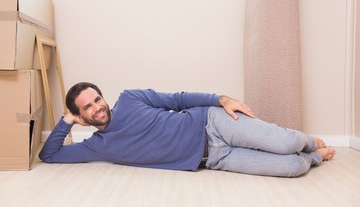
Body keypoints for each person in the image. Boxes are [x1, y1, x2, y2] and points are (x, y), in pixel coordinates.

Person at [39, 82, 336, 177]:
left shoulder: (130, 98)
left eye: (97, 99)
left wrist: (222, 100)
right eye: (87, 108)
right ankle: (314, 156)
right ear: (81, 116)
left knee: (286, 144)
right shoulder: (96, 145)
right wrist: (66, 121)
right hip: (214, 160)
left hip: (212, 123)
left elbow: (178, 100)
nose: (97, 108)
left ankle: (307, 139)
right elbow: (49, 155)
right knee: (293, 168)